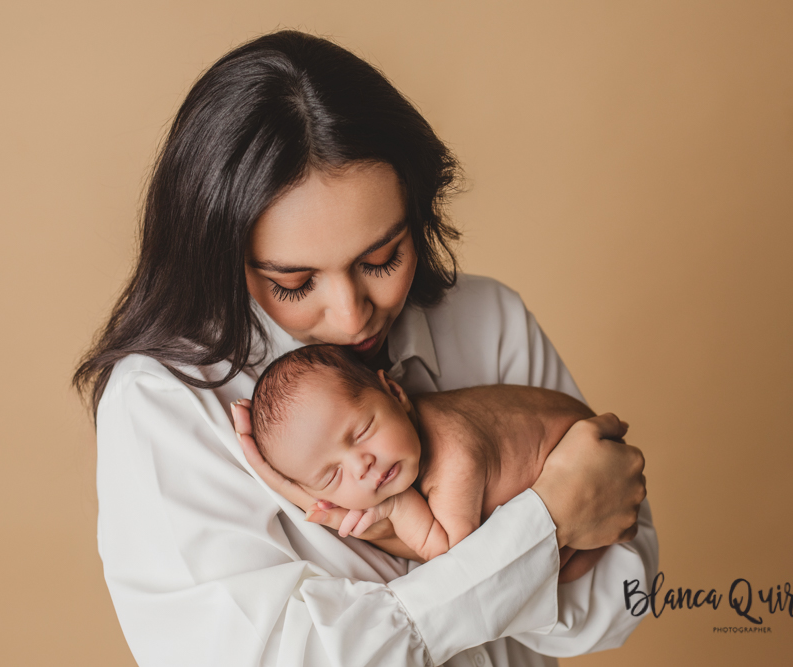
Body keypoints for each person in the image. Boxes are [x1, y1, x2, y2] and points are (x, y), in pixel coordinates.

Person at [74, 29, 657, 667]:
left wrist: (454, 544)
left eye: (382, 259)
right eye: (293, 283)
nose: (353, 315)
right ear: (223, 259)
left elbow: (627, 596)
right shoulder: (166, 403)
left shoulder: (488, 320)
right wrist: (539, 525)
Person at [244, 343, 610, 567]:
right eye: (332, 476)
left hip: (597, 488)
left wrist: (396, 510)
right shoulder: (413, 431)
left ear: (394, 391)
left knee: (559, 575)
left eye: (362, 432)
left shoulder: (455, 454)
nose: (361, 465)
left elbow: (460, 562)